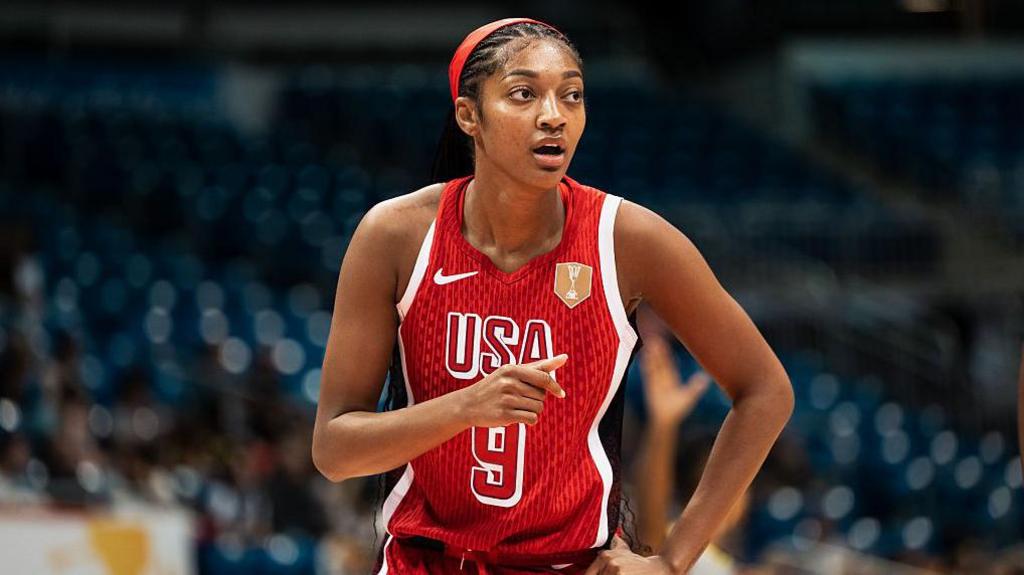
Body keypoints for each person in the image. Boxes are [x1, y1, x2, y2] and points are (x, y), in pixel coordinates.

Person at [311, 16, 794, 575]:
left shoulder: (630, 239)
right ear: (470, 115)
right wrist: (464, 408)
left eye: (572, 95)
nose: (553, 116)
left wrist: (672, 560)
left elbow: (765, 391)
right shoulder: (395, 235)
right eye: (524, 94)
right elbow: (334, 449)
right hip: (424, 562)